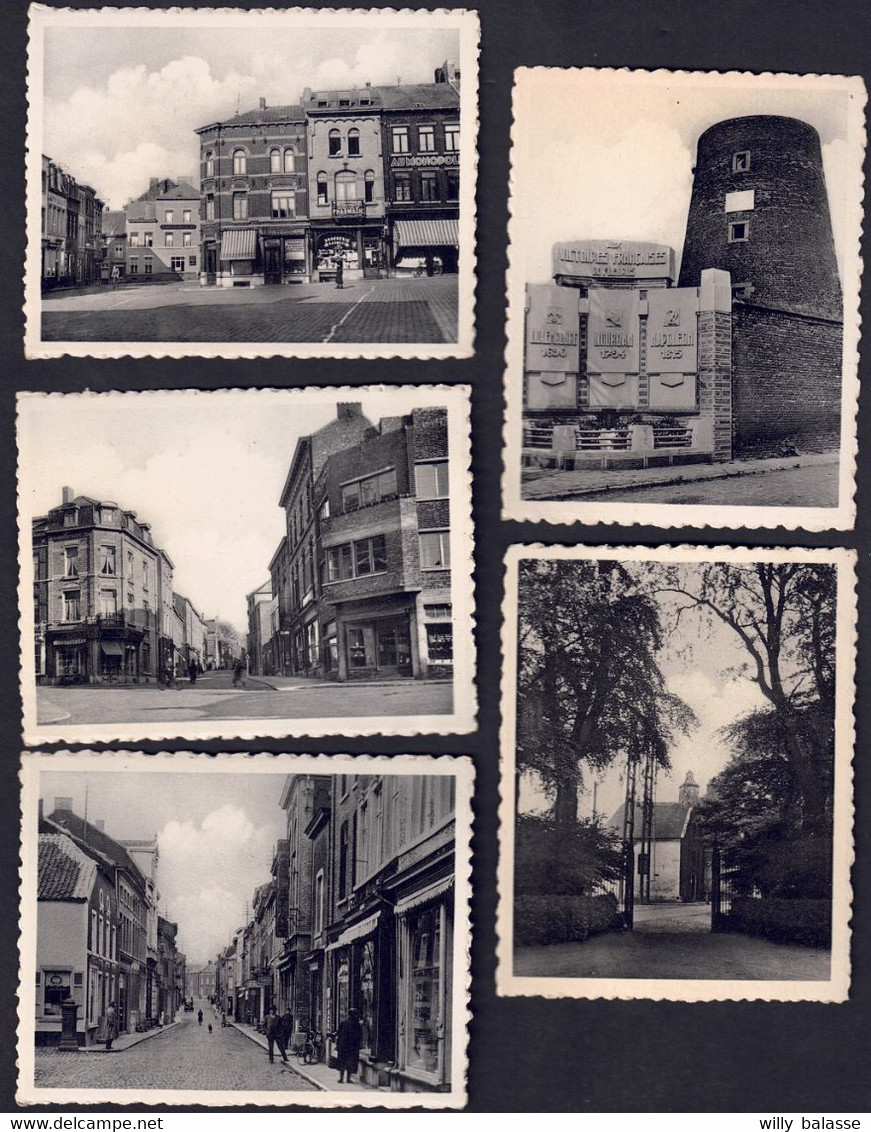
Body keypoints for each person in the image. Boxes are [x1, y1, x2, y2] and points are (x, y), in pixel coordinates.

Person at [335, 1008, 362, 1084]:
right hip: (352, 1047)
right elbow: (359, 1037)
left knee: (342, 1063)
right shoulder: (357, 1025)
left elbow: (338, 1035)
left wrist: (338, 1045)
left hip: (343, 1047)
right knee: (350, 1063)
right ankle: (348, 1078)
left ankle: (341, 1078)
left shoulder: (343, 1023)